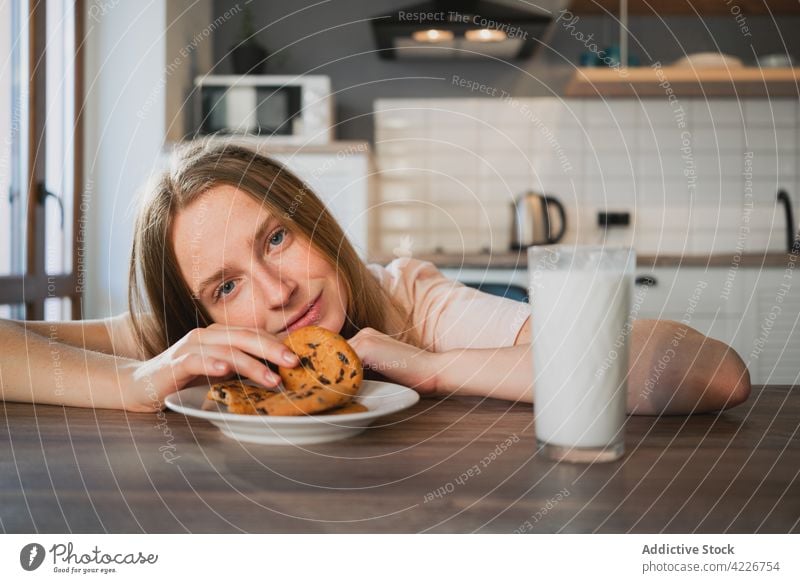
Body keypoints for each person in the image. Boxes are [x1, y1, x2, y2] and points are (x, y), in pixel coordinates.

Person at [0, 142, 751, 415]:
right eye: (226, 286)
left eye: (277, 238)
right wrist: (137, 380)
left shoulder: (411, 298)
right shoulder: (203, 347)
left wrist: (431, 366)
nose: (275, 292)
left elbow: (713, 375)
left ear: (315, 221)